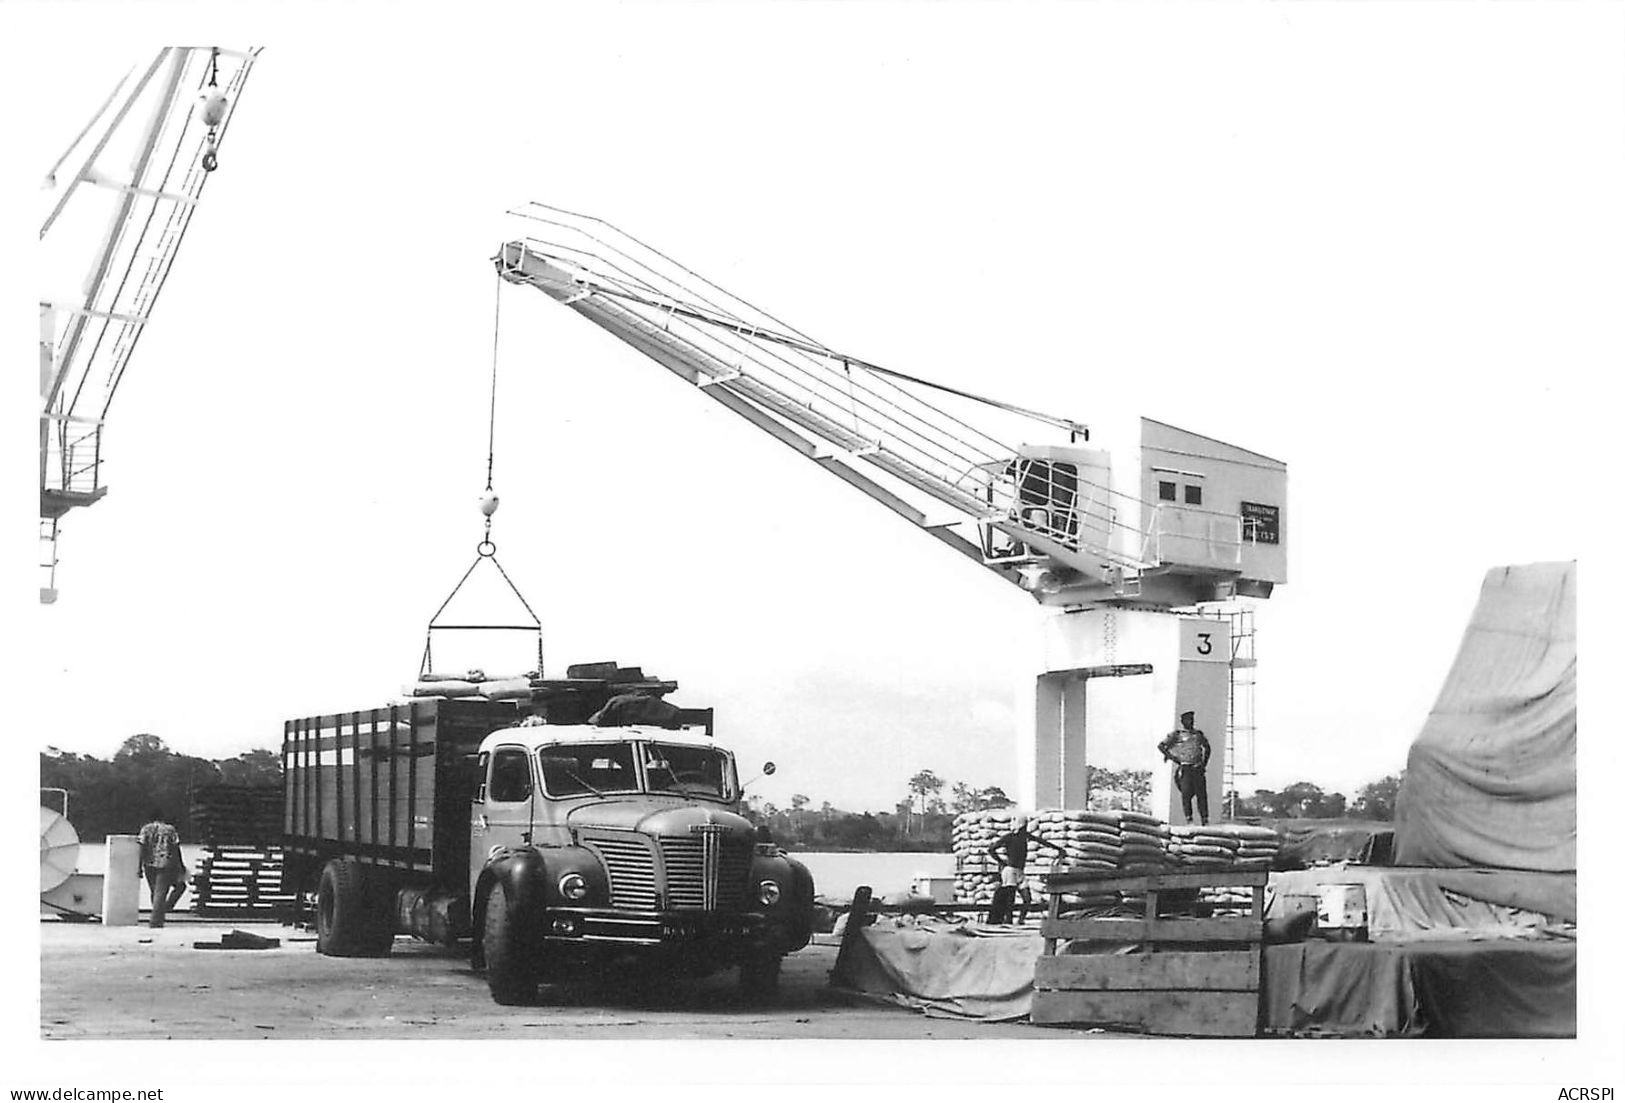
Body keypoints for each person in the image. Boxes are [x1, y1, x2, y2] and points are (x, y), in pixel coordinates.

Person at [986, 814, 1066, 924]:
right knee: (1010, 898)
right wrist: (1001, 862)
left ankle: (1020, 920)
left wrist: (1058, 849)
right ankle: (1008, 921)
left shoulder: (1025, 836)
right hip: (1010, 871)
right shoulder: (1009, 837)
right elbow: (991, 849)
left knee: (1027, 898)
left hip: (1020, 872)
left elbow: (1041, 841)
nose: (1026, 828)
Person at [1158, 711, 1213, 825]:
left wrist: (1204, 763)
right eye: (1188, 719)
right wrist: (1173, 757)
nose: (1191, 722)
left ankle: (1204, 818)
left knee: (1201, 794)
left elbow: (1207, 747)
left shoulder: (1198, 734)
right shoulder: (1177, 734)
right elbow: (1162, 746)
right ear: (1183, 721)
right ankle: (1189, 818)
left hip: (1197, 767)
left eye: (1192, 719)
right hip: (1185, 767)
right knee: (1186, 793)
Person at [137, 809, 187, 928]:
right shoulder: (170, 830)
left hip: (149, 864)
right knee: (169, 890)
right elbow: (176, 848)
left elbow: (141, 847)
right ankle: (157, 919)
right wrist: (181, 865)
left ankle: (159, 914)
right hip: (166, 863)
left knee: (155, 892)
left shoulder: (145, 829)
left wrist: (139, 866)